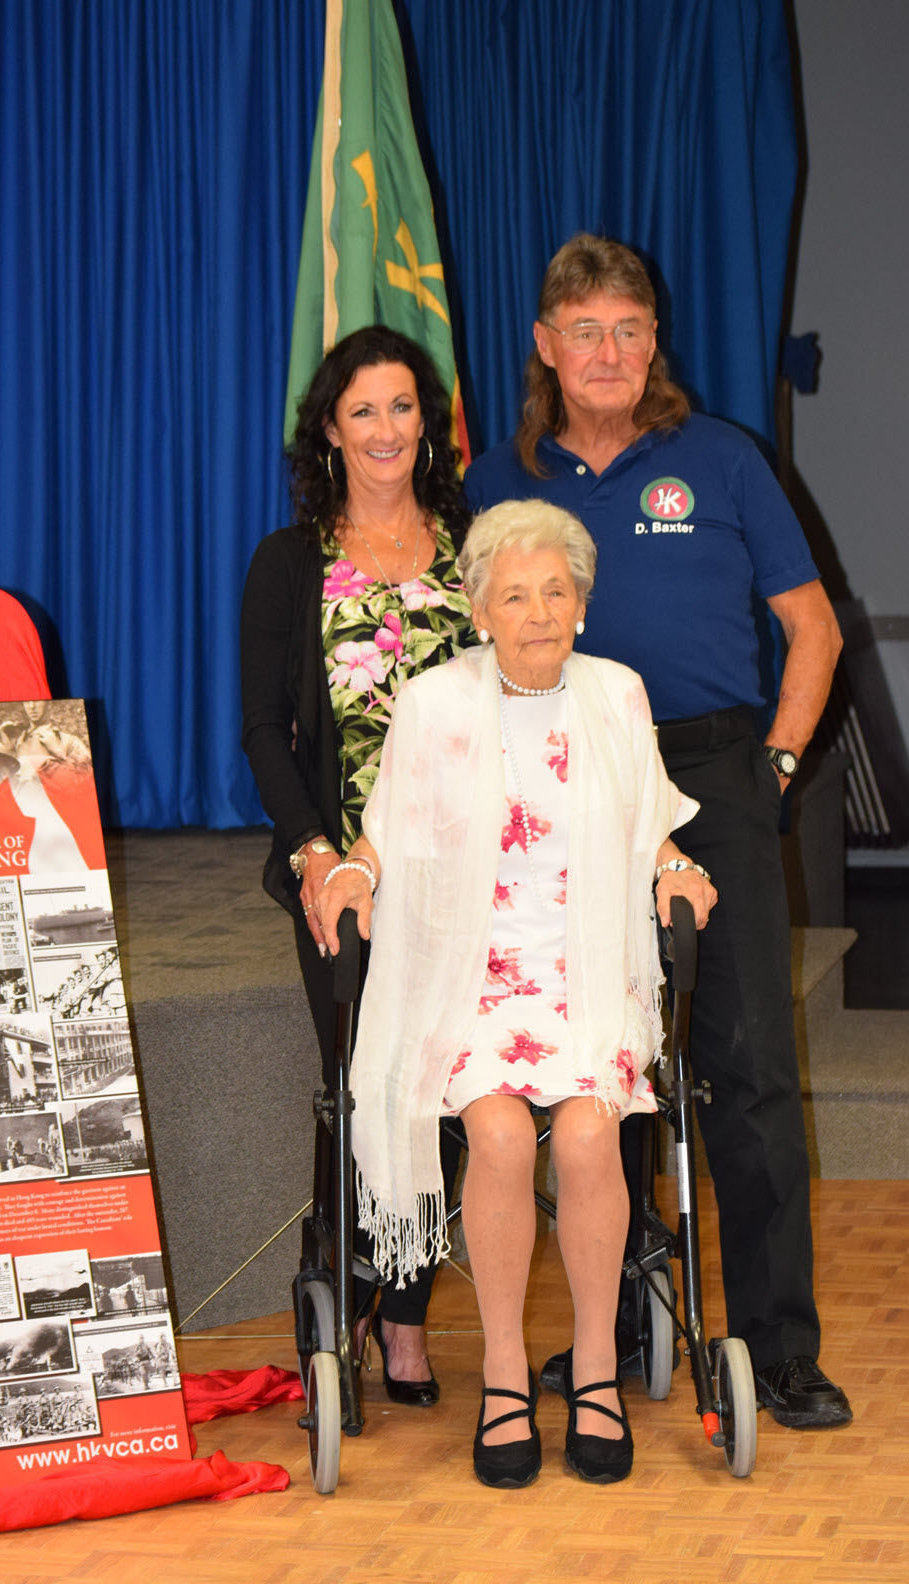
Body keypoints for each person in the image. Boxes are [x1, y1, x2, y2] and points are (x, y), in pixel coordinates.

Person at [464, 233, 849, 1430]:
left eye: (630, 329)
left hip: (715, 773)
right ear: (546, 346)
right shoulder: (500, 481)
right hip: (561, 778)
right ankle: (619, 1327)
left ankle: (778, 1347)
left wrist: (772, 770)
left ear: (654, 342)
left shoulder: (721, 459)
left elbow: (815, 628)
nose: (610, 352)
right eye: (586, 330)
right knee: (599, 1068)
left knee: (747, 1069)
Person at [318, 500, 714, 1486]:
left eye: (555, 592)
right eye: (514, 595)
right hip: (473, 983)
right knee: (496, 1134)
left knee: (586, 1133)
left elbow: (647, 824)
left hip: (586, 979)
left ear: (582, 601)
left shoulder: (616, 694)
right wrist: (354, 874)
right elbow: (389, 829)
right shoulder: (434, 703)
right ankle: (502, 1369)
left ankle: (591, 1369)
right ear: (480, 607)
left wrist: (675, 869)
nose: (537, 612)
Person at [240, 324, 473, 1405]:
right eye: (363, 410)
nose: (387, 429)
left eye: (404, 407)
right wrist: (319, 859)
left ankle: (411, 1315)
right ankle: (343, 1297)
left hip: (467, 869)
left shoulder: (473, 543)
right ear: (330, 431)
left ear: (428, 424)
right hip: (343, 874)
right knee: (358, 1083)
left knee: (444, 1085)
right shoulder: (291, 562)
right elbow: (262, 732)